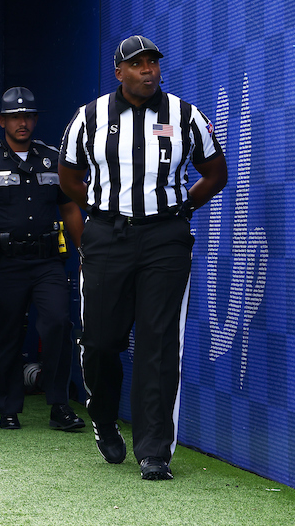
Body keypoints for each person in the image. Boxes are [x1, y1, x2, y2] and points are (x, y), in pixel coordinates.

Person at [59, 36, 227, 481]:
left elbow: (216, 172)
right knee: (100, 341)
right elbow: (69, 176)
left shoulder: (185, 116)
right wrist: (100, 209)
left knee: (158, 343)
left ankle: (154, 452)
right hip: (106, 237)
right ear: (119, 72)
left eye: (153, 63)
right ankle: (103, 418)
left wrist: (181, 209)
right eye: (137, 64)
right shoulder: (88, 117)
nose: (148, 70)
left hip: (165, 240)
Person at [0, 87, 86, 432]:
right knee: (7, 333)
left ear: (36, 119)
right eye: (15, 117)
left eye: (28, 116)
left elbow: (70, 206)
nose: (22, 122)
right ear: (3, 121)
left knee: (58, 324)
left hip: (47, 262)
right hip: (5, 262)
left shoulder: (53, 158)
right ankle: (9, 408)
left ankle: (59, 406)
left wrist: (85, 251)